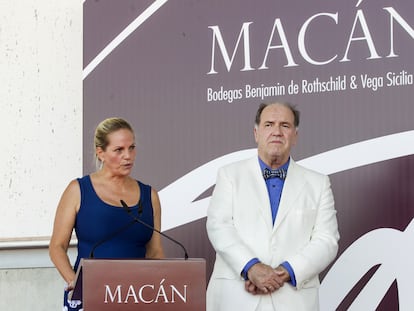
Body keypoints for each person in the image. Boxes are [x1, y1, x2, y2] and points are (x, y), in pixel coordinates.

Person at [206, 101, 339, 311]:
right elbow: (218, 226)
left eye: (285, 126)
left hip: (294, 300)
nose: (276, 131)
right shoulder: (229, 175)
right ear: (256, 133)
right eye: (269, 124)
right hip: (235, 298)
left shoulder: (318, 183)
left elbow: (327, 240)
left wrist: (285, 271)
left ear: (295, 135)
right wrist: (251, 268)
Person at [49, 117, 165, 311]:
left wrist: (162, 291)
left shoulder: (150, 195)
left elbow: (155, 252)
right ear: (100, 152)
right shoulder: (78, 190)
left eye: (132, 148)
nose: (128, 156)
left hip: (137, 297)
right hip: (89, 296)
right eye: (119, 150)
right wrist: (75, 283)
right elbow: (56, 247)